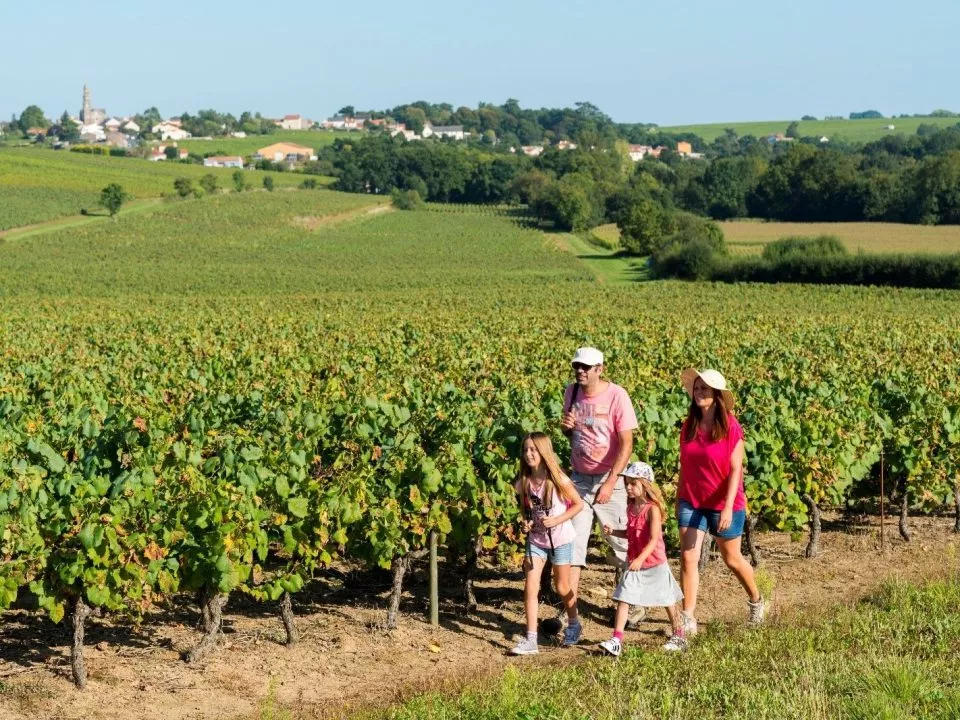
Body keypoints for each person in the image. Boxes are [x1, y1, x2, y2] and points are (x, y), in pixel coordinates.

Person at [676, 368, 765, 637]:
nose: (700, 392)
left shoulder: (730, 426)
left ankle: (756, 601)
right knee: (688, 557)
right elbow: (685, 464)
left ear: (717, 395)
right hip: (691, 501)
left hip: (724, 503)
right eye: (697, 388)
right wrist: (678, 497)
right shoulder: (688, 425)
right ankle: (688, 617)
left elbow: (735, 470)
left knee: (732, 559)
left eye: (705, 389)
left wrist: (727, 506)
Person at [560, 347, 639, 634]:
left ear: (600, 369)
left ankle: (634, 604)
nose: (580, 371)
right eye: (577, 366)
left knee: (622, 546)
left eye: (586, 367)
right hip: (580, 479)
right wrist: (566, 429)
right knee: (574, 545)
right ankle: (570, 615)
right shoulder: (571, 392)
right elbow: (573, 433)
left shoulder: (617, 395)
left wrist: (610, 482)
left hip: (611, 480)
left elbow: (627, 442)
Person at [599, 462, 686, 657]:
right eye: (627, 483)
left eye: (633, 484)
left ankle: (679, 635)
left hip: (654, 563)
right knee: (624, 597)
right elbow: (631, 534)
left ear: (645, 485)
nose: (628, 487)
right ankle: (617, 640)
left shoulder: (652, 509)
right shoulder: (630, 508)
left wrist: (640, 559)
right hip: (635, 563)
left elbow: (654, 539)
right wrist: (614, 532)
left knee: (668, 599)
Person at [509, 432, 585, 655]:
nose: (529, 454)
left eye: (533, 450)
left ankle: (573, 623)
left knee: (562, 586)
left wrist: (557, 519)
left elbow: (578, 505)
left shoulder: (558, 480)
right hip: (537, 540)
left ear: (543, 452)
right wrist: (526, 523)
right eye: (525, 450)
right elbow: (525, 511)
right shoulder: (523, 482)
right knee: (530, 588)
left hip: (561, 539)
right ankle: (531, 639)